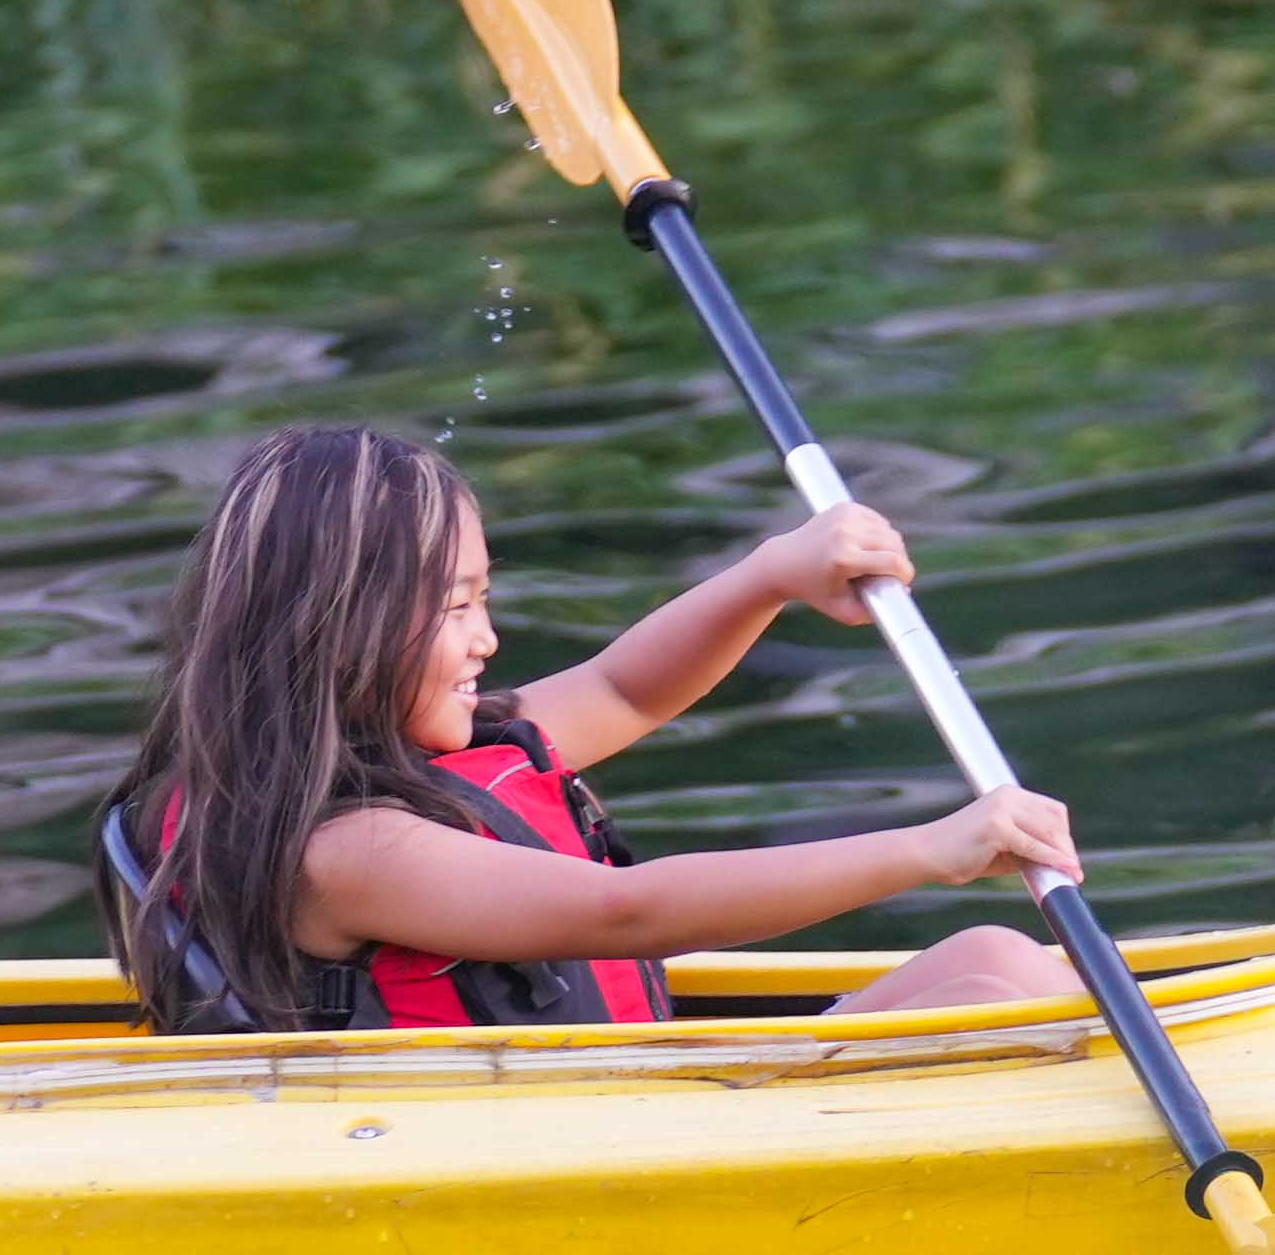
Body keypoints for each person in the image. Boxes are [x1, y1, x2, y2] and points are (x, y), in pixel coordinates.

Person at [101, 421, 1083, 1037]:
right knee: (1005, 1002)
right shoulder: (350, 849)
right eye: (452, 609)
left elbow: (624, 689)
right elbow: (631, 912)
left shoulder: (420, 758)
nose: (486, 638)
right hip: (576, 1154)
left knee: (994, 959)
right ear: (336, 630)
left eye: (482, 598)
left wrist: (772, 574)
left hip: (636, 1103)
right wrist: (927, 848)